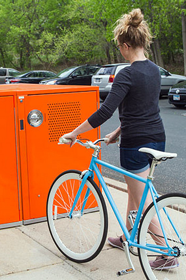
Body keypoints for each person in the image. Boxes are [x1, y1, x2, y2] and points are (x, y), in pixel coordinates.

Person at [62, 8, 178, 270]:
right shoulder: (154, 70)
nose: (120, 52)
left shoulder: (127, 73)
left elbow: (105, 111)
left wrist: (74, 133)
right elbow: (142, 109)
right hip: (156, 138)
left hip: (136, 143)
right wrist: (115, 134)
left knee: (142, 200)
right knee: (134, 191)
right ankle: (127, 236)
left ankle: (165, 251)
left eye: (119, 48)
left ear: (126, 45)